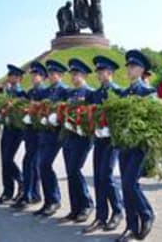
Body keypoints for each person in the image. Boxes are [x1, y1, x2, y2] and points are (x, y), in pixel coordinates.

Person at [115, 50, 155, 242]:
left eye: (133, 66)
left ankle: (146, 213)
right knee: (126, 184)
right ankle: (131, 226)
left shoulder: (148, 92)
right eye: (128, 66)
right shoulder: (124, 93)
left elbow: (154, 120)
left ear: (141, 70)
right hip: (124, 146)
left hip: (139, 147)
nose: (129, 69)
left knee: (130, 183)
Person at [83, 55, 124, 234]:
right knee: (98, 178)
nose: (99, 75)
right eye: (98, 72)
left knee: (106, 175)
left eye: (102, 72)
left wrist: (112, 129)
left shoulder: (119, 92)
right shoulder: (96, 94)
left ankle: (117, 211)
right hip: (99, 140)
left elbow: (122, 118)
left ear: (110, 73)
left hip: (112, 141)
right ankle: (100, 216)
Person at [59, 58, 95, 223]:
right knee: (70, 173)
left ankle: (86, 204)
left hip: (82, 139)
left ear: (84, 75)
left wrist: (83, 126)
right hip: (69, 138)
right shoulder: (71, 94)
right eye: (72, 74)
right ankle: (75, 208)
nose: (73, 77)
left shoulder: (89, 93)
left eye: (76, 74)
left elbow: (93, 116)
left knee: (76, 170)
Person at [33, 60, 68, 217]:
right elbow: (36, 104)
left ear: (60, 75)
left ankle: (54, 200)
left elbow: (69, 112)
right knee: (42, 166)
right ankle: (49, 201)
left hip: (58, 135)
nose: (52, 76)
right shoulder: (46, 92)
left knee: (45, 164)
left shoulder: (65, 91)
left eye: (55, 73)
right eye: (50, 73)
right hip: (45, 134)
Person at [11, 61, 47, 210]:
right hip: (29, 133)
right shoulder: (30, 92)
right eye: (32, 74)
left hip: (39, 133)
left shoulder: (44, 93)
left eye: (36, 75)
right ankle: (34, 194)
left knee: (30, 163)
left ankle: (28, 195)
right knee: (31, 164)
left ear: (43, 77)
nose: (33, 77)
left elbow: (44, 111)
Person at [0, 64, 27, 205]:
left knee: (8, 159)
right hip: (7, 129)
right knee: (4, 161)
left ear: (19, 78)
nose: (10, 78)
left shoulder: (21, 93)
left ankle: (21, 182)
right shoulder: (7, 92)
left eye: (13, 76)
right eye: (9, 75)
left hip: (17, 131)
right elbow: (0, 105)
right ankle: (7, 192)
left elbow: (22, 110)